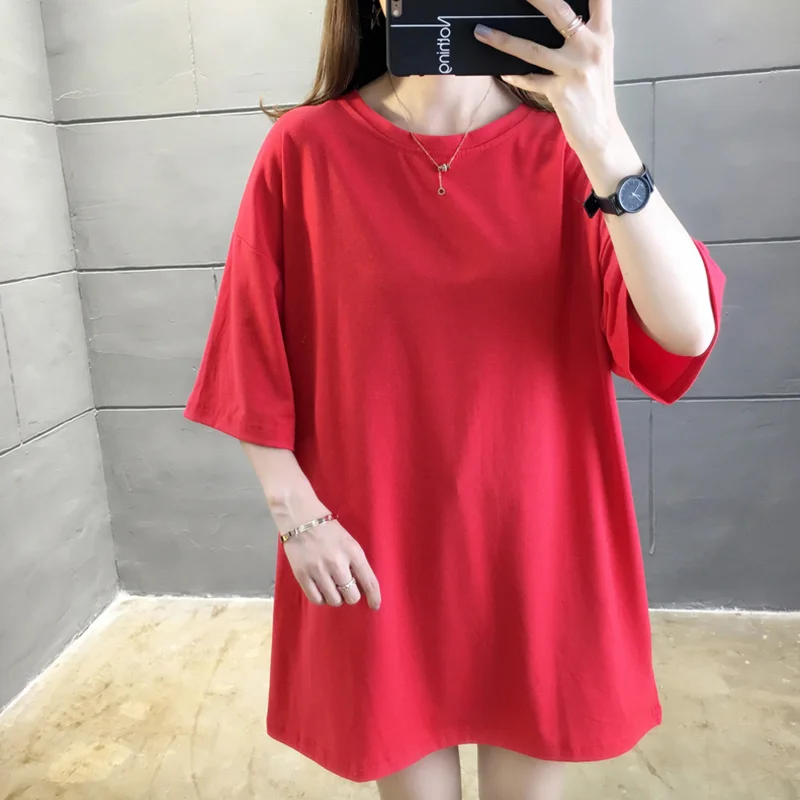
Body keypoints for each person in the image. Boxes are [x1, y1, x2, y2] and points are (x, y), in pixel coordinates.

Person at [185, 0, 725, 797]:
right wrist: (297, 516)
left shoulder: (571, 149)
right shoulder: (306, 150)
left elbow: (685, 330)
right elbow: (249, 349)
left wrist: (604, 136)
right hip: (376, 542)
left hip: (541, 541)